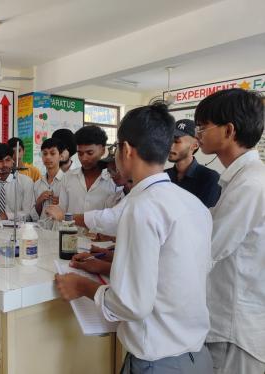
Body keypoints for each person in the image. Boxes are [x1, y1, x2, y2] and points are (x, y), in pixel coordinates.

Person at [55, 103, 213, 373]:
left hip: (158, 361)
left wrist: (82, 287)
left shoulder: (141, 208)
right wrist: (107, 265)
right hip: (196, 357)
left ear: (126, 150)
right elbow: (170, 273)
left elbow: (130, 304)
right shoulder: (190, 203)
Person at [195, 88, 265, 374]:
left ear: (229, 130)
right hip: (226, 322)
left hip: (233, 328)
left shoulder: (249, 184)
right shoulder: (240, 180)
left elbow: (210, 247)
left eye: (203, 126)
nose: (197, 133)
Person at [58, 125, 116, 215]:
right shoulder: (68, 178)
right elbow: (61, 213)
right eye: (80, 153)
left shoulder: (113, 181)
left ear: (103, 150)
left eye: (90, 153)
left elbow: (114, 218)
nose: (84, 158)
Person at [166, 119, 221, 207]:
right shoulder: (163, 176)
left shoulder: (210, 178)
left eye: (176, 141)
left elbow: (206, 217)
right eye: (169, 140)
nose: (170, 146)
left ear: (195, 145)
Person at [0, 143, 34, 221]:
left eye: (8, 160)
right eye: (0, 161)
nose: (5, 165)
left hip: (18, 230)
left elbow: (28, 213)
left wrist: (7, 216)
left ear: (12, 161)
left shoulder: (26, 182)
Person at [30, 138, 65, 226]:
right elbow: (34, 216)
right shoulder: (37, 184)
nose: (48, 157)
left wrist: (62, 204)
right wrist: (39, 201)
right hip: (41, 231)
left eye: (52, 153)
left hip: (60, 231)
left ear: (61, 156)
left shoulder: (67, 181)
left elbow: (73, 212)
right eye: (45, 154)